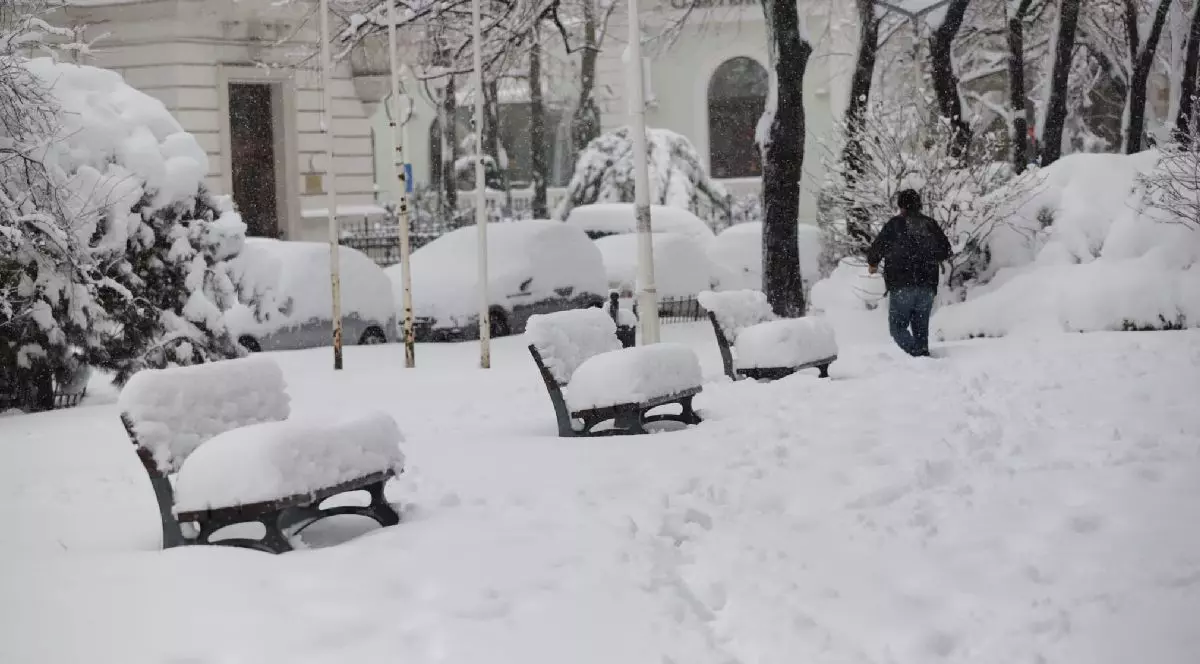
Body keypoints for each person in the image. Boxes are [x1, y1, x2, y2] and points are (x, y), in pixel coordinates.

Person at [866, 189, 952, 357]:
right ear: (919, 204)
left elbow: (878, 247)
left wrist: (873, 263)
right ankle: (924, 359)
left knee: (897, 328)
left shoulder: (894, 225)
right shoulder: (930, 224)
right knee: (921, 330)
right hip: (927, 285)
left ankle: (917, 355)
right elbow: (945, 251)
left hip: (901, 284)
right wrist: (928, 257)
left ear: (900, 205)